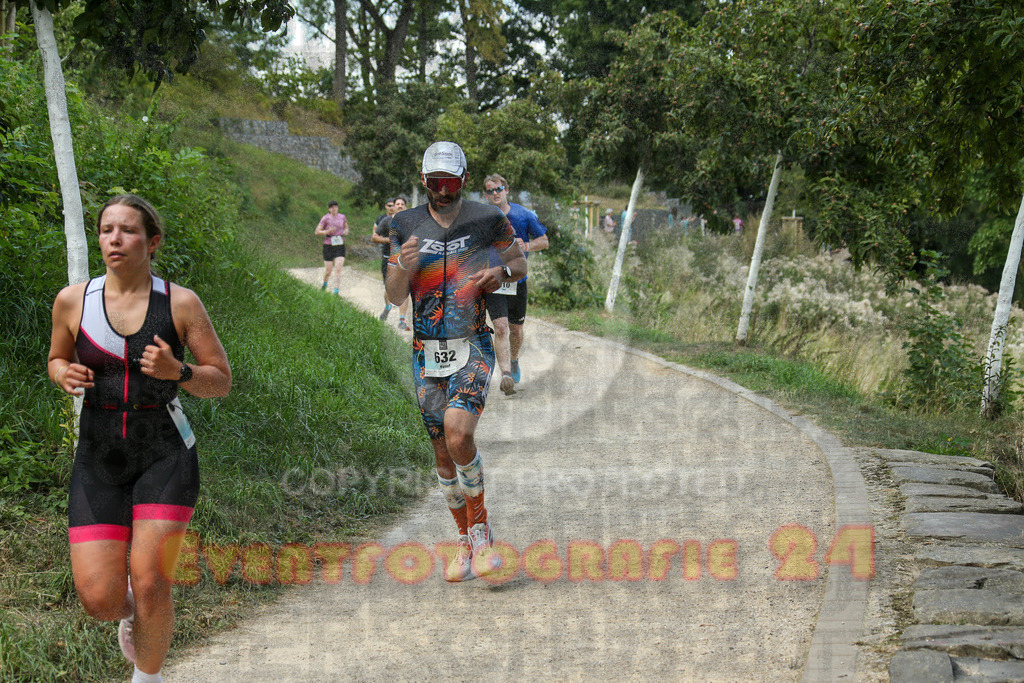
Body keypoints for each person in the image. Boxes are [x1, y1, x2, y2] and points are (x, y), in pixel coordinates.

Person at [47, 194, 231, 683]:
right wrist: (63, 373)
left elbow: (221, 380)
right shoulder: (73, 301)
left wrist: (180, 370)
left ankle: (147, 677)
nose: (114, 239)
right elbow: (55, 359)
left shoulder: (181, 303)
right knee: (100, 598)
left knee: (151, 583)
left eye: (127, 230)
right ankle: (132, 614)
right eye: (107, 229)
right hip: (98, 458)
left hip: (165, 454)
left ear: (152, 243)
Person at [386, 142, 526, 582]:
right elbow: (393, 296)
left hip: (473, 343)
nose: (442, 192)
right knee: (443, 457)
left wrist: (499, 274)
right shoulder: (403, 223)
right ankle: (463, 542)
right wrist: (400, 266)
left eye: (449, 183)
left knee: (459, 434)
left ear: (464, 180)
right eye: (433, 184)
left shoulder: (487, 218)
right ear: (423, 180)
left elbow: (518, 261)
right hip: (426, 353)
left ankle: (483, 534)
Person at [482, 174, 549, 388]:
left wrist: (527, 246)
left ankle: (514, 360)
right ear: (485, 194)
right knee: (501, 328)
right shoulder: (481, 217)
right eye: (490, 191)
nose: (495, 193)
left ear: (506, 190)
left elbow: (544, 241)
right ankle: (505, 375)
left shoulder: (523, 214)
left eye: (498, 189)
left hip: (517, 281)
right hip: (493, 280)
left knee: (516, 329)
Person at [372, 196, 410, 330]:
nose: (399, 206)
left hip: (405, 260)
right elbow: (374, 237)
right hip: (388, 258)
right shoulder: (387, 221)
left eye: (402, 204)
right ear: (393, 207)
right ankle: (387, 307)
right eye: (397, 204)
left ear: (405, 206)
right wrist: (388, 240)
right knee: (389, 287)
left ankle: (402, 320)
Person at [314, 200, 349, 295]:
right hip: (328, 245)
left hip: (340, 244)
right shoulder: (325, 218)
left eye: (336, 207)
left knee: (338, 268)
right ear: (329, 209)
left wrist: (346, 231)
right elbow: (317, 231)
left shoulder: (342, 217)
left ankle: (336, 291)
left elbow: (346, 226)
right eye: (332, 207)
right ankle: (325, 284)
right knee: (328, 270)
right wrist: (326, 231)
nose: (334, 209)